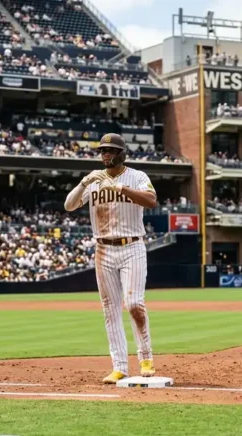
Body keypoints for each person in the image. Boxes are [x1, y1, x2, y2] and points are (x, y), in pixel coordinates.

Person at [63, 132, 159, 384]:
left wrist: (121, 188)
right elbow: (69, 206)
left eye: (110, 150)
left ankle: (146, 357)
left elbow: (151, 200)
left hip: (132, 246)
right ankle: (119, 366)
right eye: (103, 151)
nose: (105, 154)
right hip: (103, 249)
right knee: (110, 310)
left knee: (134, 303)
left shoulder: (137, 176)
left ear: (121, 153)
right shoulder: (94, 179)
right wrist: (84, 183)